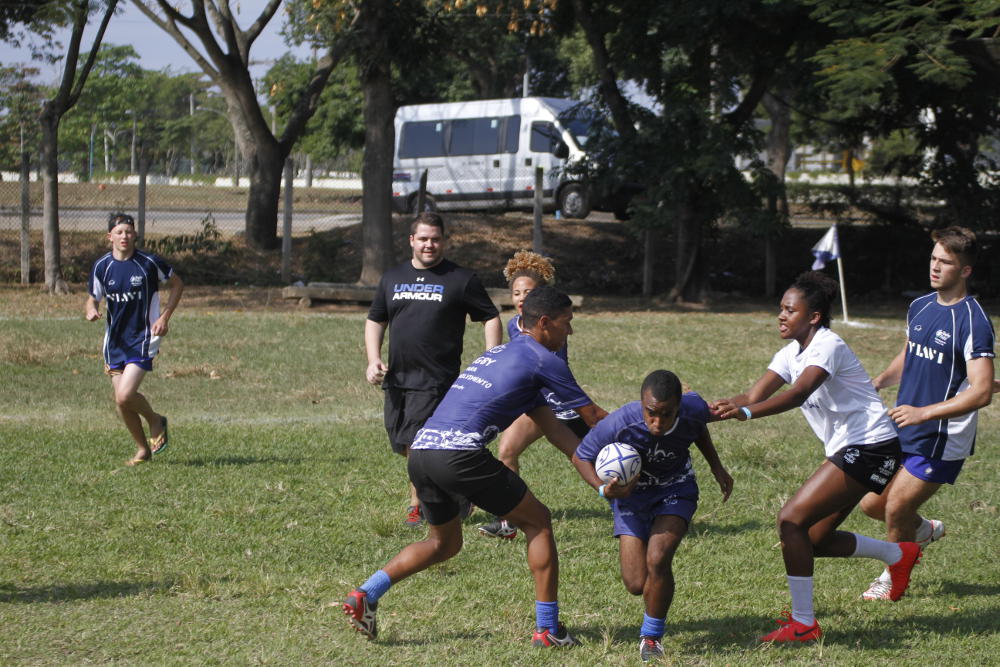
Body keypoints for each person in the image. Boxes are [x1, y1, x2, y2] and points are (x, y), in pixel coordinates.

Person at [344, 286, 605, 647]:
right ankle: (547, 630)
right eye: (567, 323)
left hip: (422, 452)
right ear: (544, 323)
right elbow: (593, 418)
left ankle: (365, 594)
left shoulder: (505, 356)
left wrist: (602, 486)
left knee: (443, 544)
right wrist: (670, 422)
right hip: (459, 455)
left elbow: (561, 435)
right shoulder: (545, 360)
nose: (570, 333)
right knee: (538, 522)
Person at [711, 271, 922, 643]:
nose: (781, 316)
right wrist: (710, 410)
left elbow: (797, 394)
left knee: (790, 520)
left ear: (813, 316)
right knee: (814, 539)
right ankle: (898, 554)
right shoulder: (791, 351)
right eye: (781, 309)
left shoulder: (828, 345)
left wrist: (746, 414)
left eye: (790, 310)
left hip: (871, 446)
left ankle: (804, 623)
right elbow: (754, 394)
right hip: (851, 448)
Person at [857, 226, 995, 600]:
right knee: (873, 504)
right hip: (903, 425)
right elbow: (911, 352)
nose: (935, 267)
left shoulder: (973, 321)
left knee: (896, 507)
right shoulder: (920, 306)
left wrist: (924, 413)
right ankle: (921, 531)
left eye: (945, 262)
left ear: (964, 270)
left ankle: (892, 576)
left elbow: (982, 391)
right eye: (933, 258)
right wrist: (880, 380)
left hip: (942, 436)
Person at [572, 370, 733, 662]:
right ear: (642, 403)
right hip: (631, 498)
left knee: (658, 558)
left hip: (676, 488)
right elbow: (581, 455)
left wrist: (716, 466)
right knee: (636, 583)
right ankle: (655, 603)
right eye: (651, 414)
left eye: (666, 415)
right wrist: (601, 489)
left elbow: (698, 428)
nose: (657, 422)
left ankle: (651, 638)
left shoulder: (694, 409)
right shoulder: (621, 422)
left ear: (679, 408)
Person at [365, 212, 502, 526]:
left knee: (418, 444)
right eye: (423, 239)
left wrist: (490, 361)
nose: (430, 245)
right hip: (398, 378)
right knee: (401, 443)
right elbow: (376, 319)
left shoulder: (460, 279)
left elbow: (490, 317)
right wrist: (373, 359)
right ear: (412, 240)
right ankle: (458, 489)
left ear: (444, 241)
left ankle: (420, 505)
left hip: (436, 380)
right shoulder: (392, 278)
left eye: (436, 239)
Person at [478, 250, 599, 540]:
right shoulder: (512, 325)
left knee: (596, 457)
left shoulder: (550, 323)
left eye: (528, 292)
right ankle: (510, 521)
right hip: (537, 404)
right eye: (517, 293)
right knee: (507, 451)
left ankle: (639, 498)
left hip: (563, 404)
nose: (521, 298)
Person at [85, 212, 183, 466]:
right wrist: (91, 308)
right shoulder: (102, 266)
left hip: (143, 337)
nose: (124, 236)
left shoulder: (149, 262)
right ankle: (142, 449)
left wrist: (164, 317)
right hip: (114, 341)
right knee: (121, 402)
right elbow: (93, 296)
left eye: (128, 231)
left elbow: (177, 285)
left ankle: (155, 420)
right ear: (110, 237)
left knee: (125, 395)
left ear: (135, 235)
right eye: (119, 232)